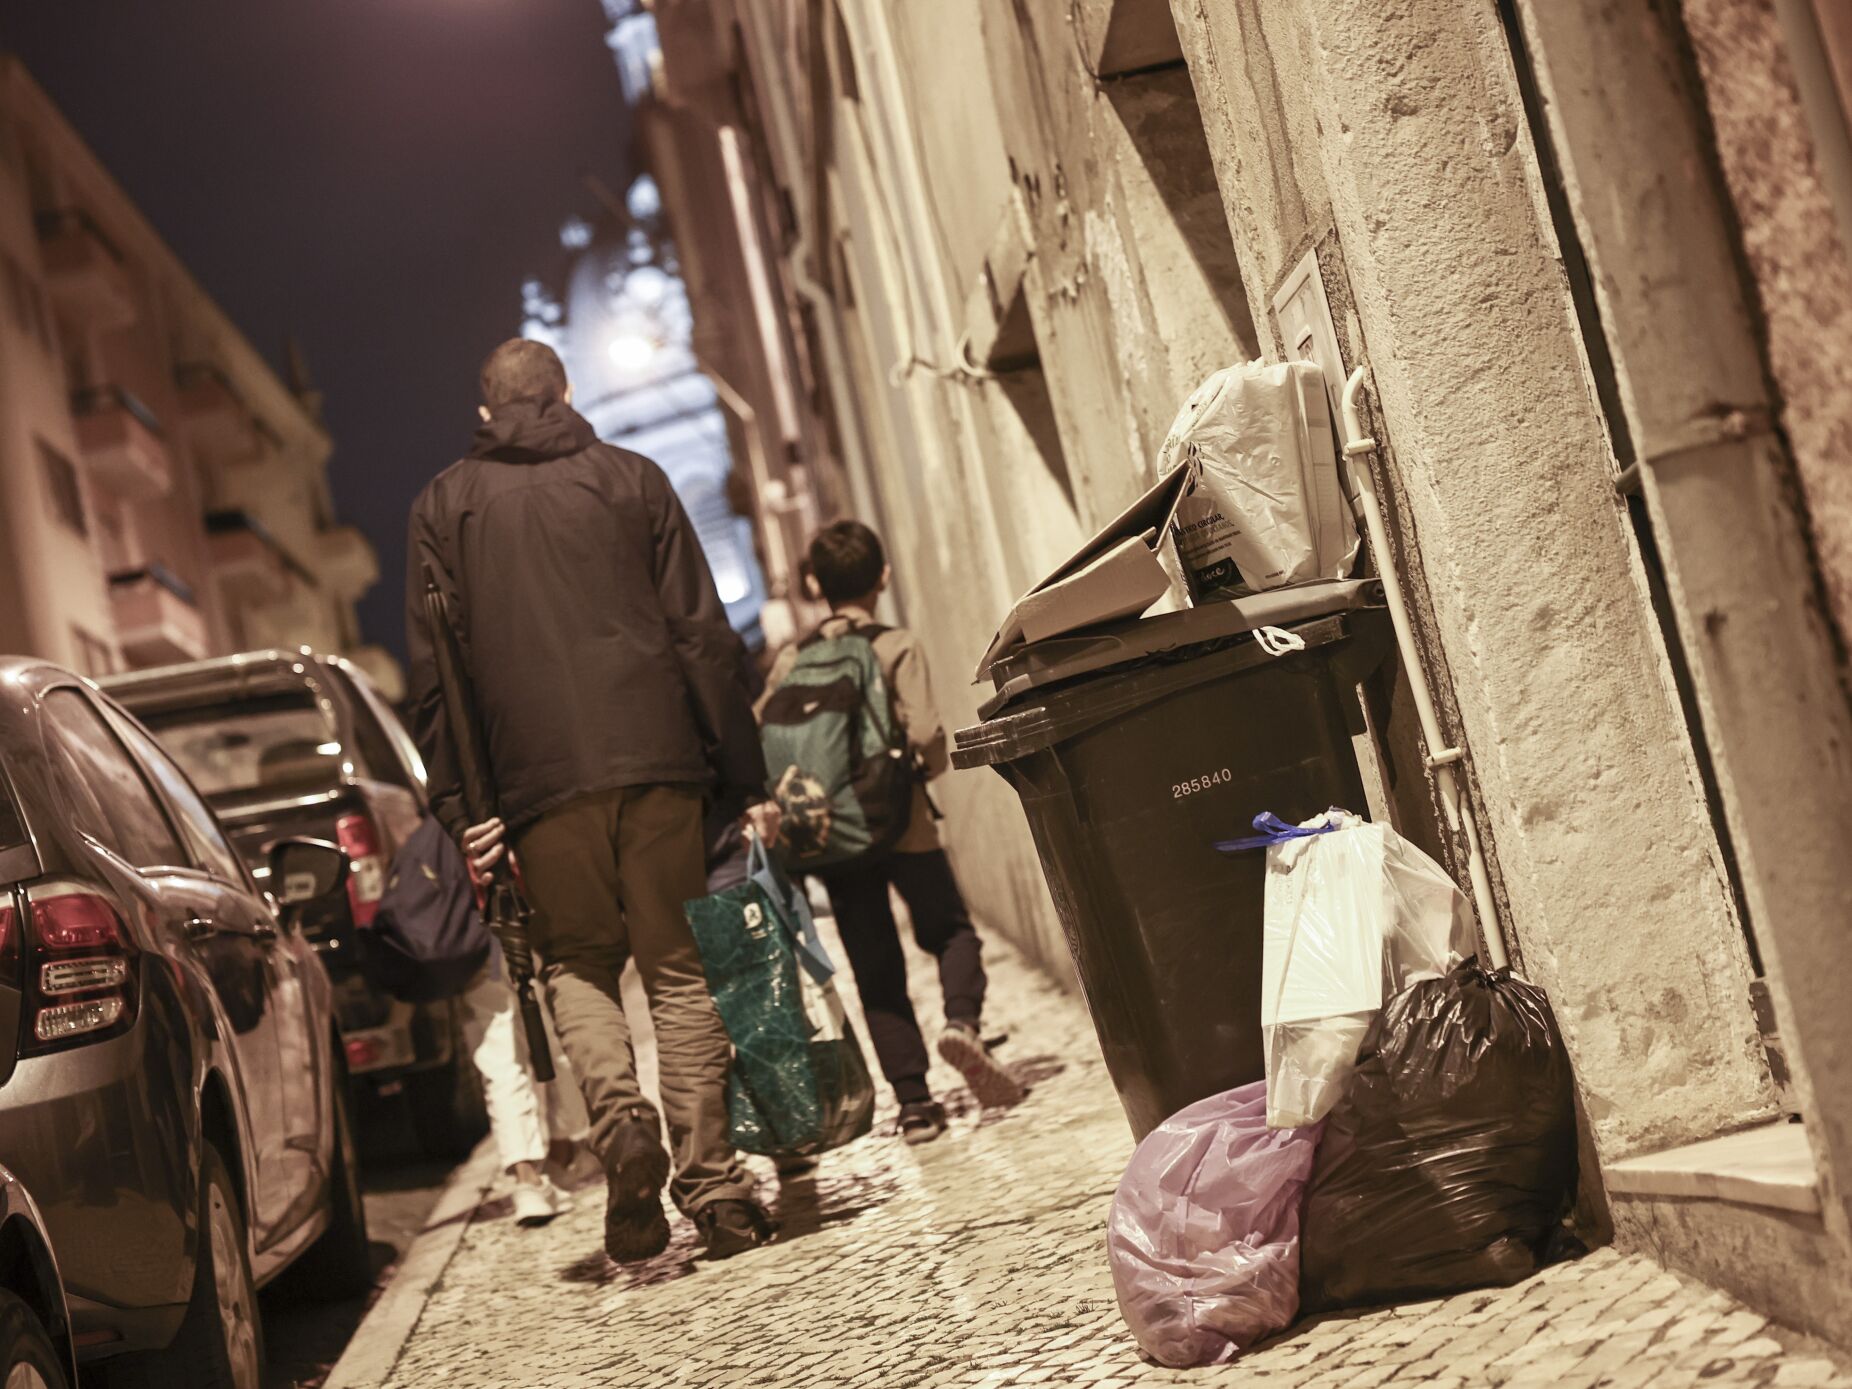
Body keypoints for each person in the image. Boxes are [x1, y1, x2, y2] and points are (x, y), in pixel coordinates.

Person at [407, 339, 780, 1263]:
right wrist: (740, 772)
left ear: (487, 409)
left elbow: (435, 677)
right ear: (566, 394)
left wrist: (463, 809)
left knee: (575, 962)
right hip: (658, 762)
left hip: (532, 788)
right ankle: (716, 1187)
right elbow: (702, 636)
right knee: (679, 968)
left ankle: (621, 1128)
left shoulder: (442, 506)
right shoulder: (636, 479)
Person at [764, 521, 1024, 1144]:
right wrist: (918, 779)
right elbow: (927, 737)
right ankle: (961, 1024)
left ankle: (913, 1106)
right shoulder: (897, 645)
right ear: (883, 577)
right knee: (951, 931)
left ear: (812, 585)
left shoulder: (789, 661)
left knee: (874, 963)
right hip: (903, 824)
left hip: (834, 839)